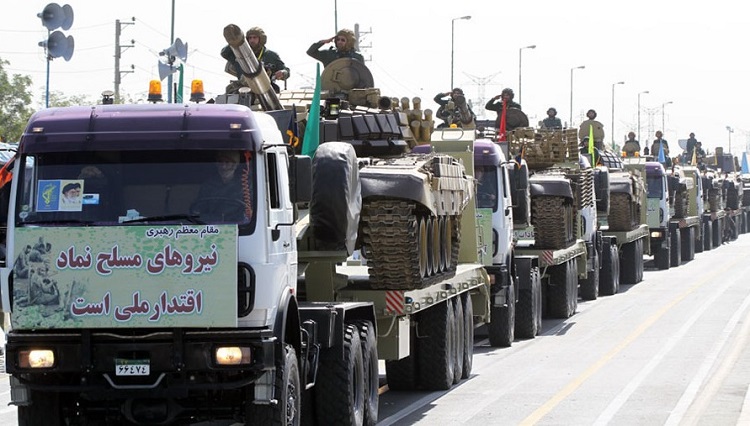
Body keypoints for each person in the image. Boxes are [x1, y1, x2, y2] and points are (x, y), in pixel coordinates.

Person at [221, 27, 289, 94]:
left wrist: (283, 73)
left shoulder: (270, 55)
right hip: (242, 89)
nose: (252, 40)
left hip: (265, 91)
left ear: (261, 39)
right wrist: (235, 41)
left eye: (254, 37)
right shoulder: (240, 54)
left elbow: (286, 71)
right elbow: (224, 53)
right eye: (250, 38)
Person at [194, 151, 253, 222]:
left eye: (227, 162)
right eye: (220, 162)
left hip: (239, 225)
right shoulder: (208, 185)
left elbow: (253, 208)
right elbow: (200, 207)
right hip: (213, 224)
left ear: (235, 165)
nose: (223, 166)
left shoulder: (246, 184)